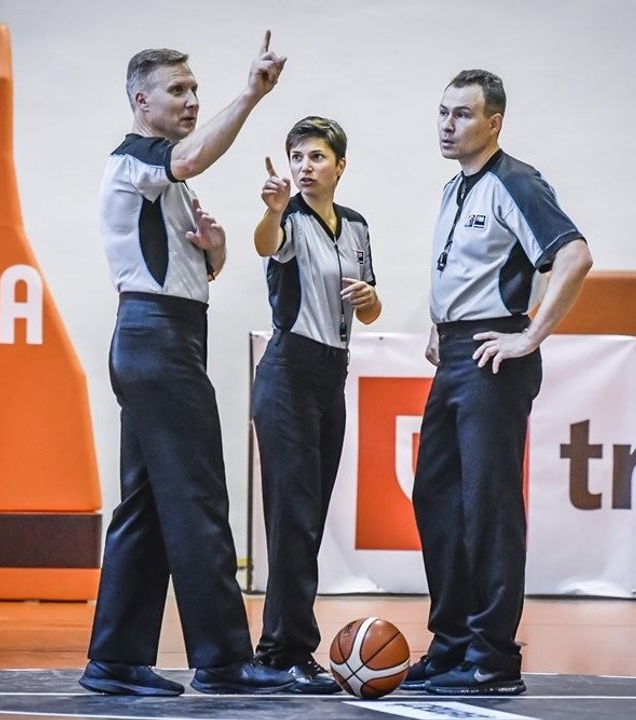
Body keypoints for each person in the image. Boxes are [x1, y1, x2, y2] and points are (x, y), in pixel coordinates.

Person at [80, 33, 298, 697]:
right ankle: (225, 661)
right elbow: (193, 156)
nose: (191, 101)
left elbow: (183, 271)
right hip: (158, 342)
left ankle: (115, 660)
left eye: (194, 90)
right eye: (178, 91)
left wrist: (215, 251)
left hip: (159, 338)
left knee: (146, 508)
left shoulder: (155, 179)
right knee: (200, 500)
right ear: (141, 101)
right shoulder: (136, 156)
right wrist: (253, 93)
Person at [404, 69, 593, 696]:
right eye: (441, 112)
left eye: (461, 114)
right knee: (434, 498)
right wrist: (441, 322)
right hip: (456, 351)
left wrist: (529, 334)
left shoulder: (515, 180)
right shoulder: (454, 188)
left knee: (488, 507)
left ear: (494, 123)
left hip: (495, 356)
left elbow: (574, 256)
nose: (447, 124)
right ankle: (453, 643)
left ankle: (493, 655)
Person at [250, 117, 381, 693]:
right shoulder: (289, 220)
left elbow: (370, 314)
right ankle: (281, 652)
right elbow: (264, 243)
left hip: (332, 377)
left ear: (340, 165)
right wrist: (273, 210)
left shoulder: (355, 227)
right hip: (287, 375)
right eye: (297, 156)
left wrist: (373, 298)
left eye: (317, 157)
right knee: (294, 521)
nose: (305, 166)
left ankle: (286, 646)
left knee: (309, 519)